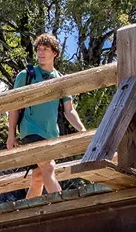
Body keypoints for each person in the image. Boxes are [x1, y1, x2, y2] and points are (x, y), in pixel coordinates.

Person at [6, 33, 86, 198]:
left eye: (45, 49)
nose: (41, 53)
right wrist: (11, 134)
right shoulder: (25, 75)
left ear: (54, 53)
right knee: (48, 168)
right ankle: (63, 207)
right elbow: (13, 106)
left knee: (38, 177)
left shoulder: (60, 80)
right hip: (31, 130)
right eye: (39, 49)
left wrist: (82, 130)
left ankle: (27, 216)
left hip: (51, 134)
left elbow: (69, 110)